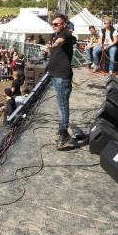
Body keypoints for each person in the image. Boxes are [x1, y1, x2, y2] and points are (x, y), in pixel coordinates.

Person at [46, 14, 76, 150]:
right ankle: (62, 128)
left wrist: (52, 47)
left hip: (62, 76)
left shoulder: (65, 34)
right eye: (52, 24)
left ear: (64, 24)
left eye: (56, 24)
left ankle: (64, 134)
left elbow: (60, 42)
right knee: (60, 104)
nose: (53, 26)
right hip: (55, 74)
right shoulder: (55, 34)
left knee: (63, 105)